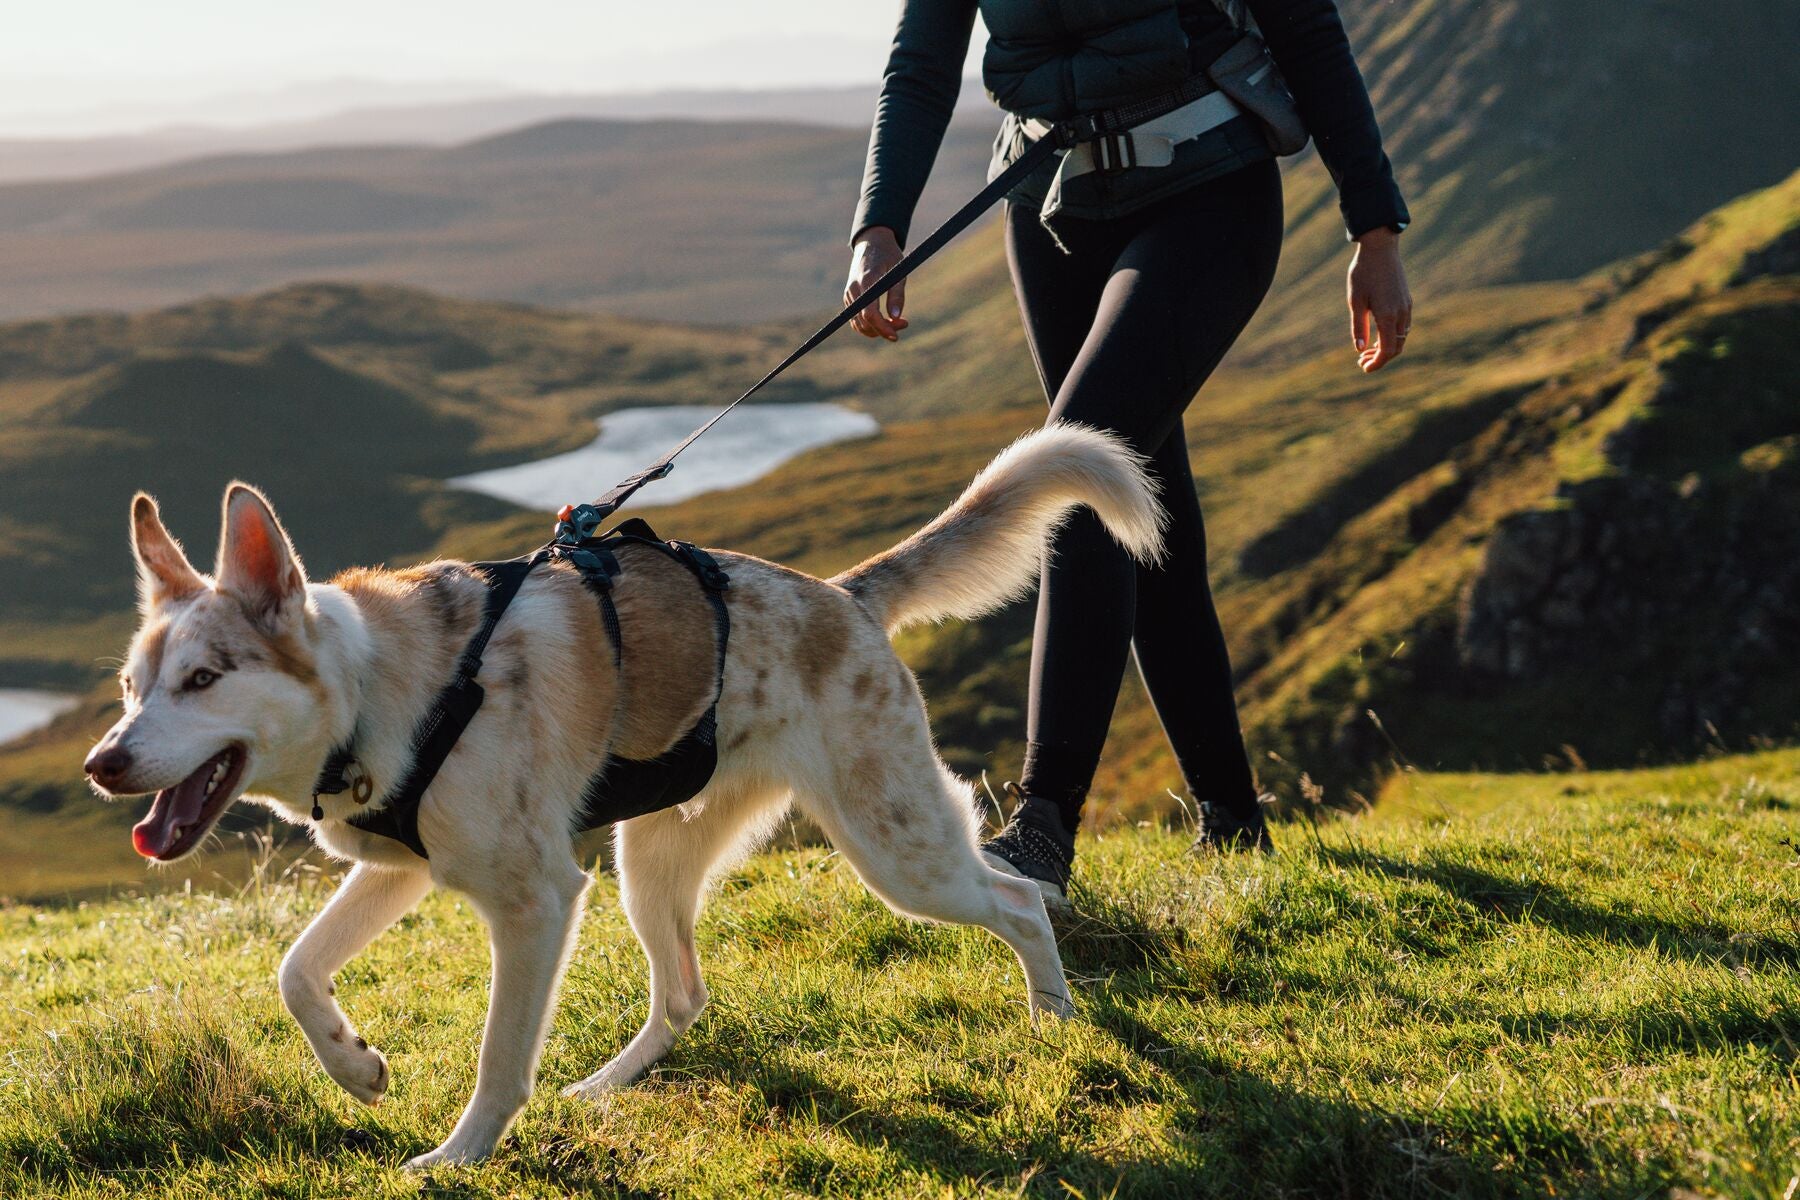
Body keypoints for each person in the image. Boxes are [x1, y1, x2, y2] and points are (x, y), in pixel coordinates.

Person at [843, 0, 1413, 905]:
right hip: (1051, 209)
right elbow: (920, 63)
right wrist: (881, 224)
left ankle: (1043, 830)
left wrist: (1372, 228)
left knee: (1075, 471)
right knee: (1146, 510)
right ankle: (1233, 821)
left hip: (1208, 193)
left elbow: (1305, 30)